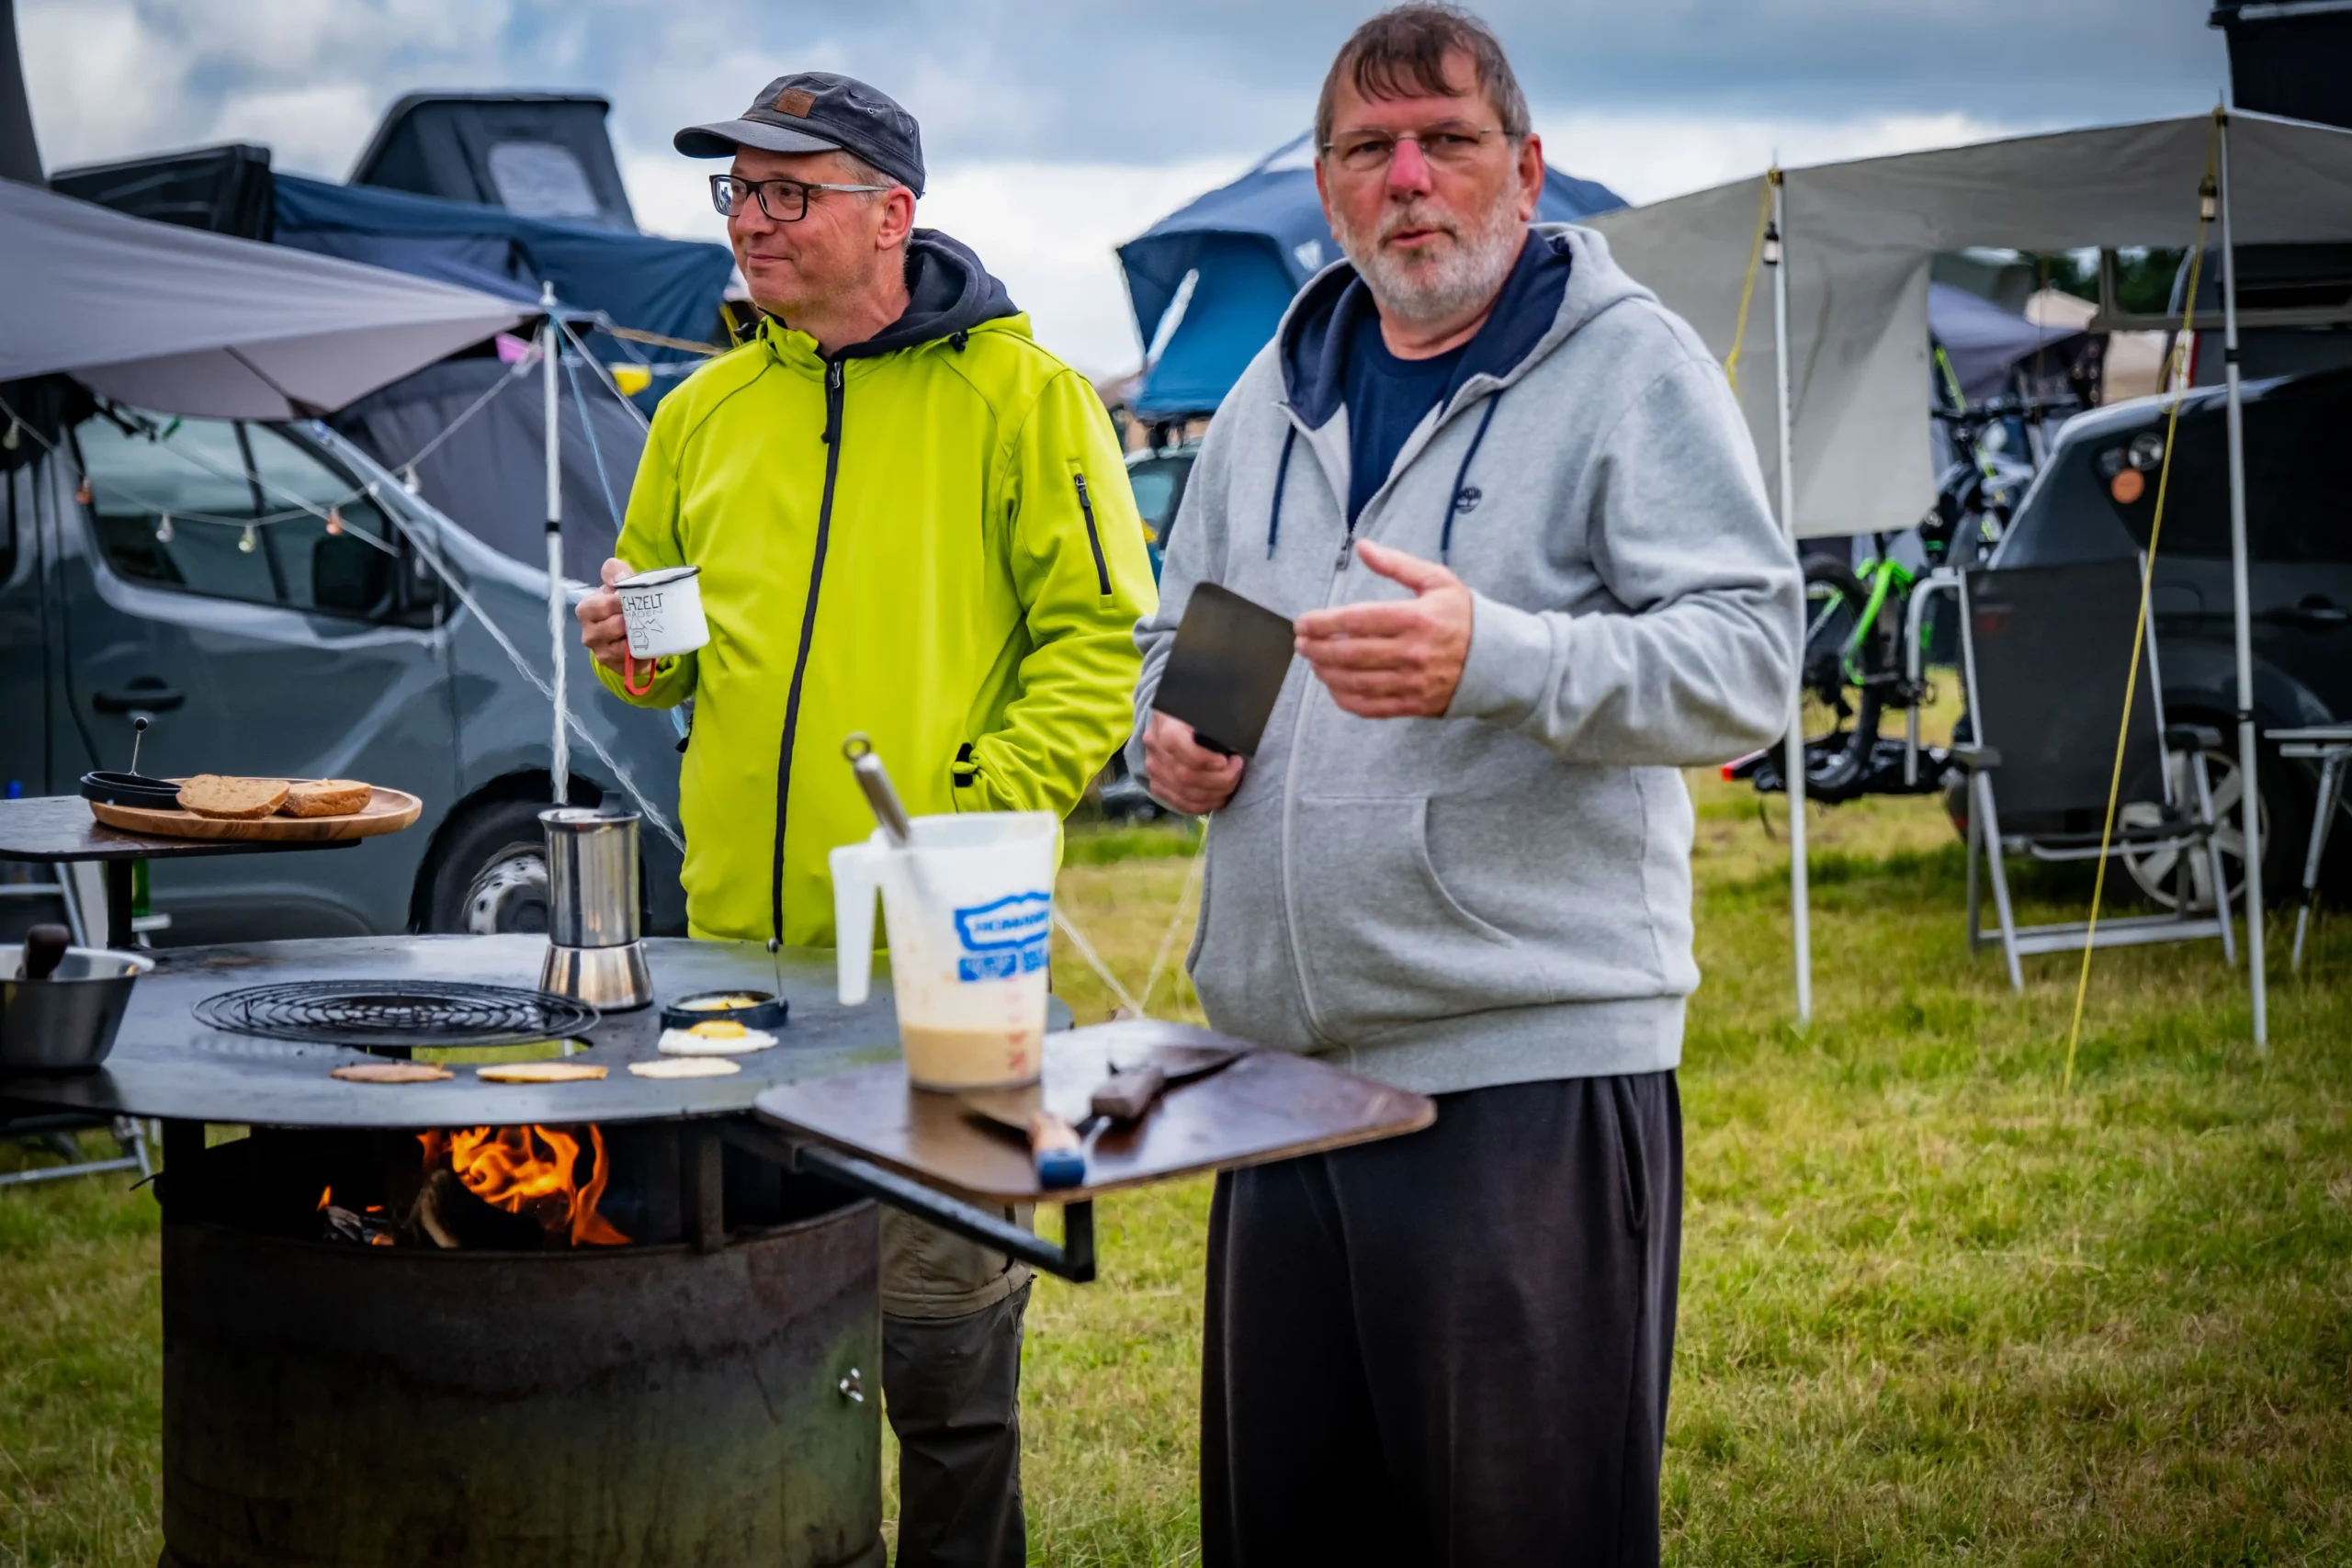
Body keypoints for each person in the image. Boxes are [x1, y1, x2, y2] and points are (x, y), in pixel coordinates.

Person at [1129, 7, 1799, 1564]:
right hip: (1282, 1083)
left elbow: (1754, 662)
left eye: (1449, 141)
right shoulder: (1266, 396)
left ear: (1528, 168)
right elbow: (1179, 634)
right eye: (1370, 150)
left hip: (1522, 1078)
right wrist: (1169, 737)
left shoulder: (1629, 369)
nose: (1410, 179)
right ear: (1326, 182)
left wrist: (1494, 657)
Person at [577, 71, 1155, 1568]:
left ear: (892, 214)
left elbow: (1097, 645)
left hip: (937, 972)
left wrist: (969, 815)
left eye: (787, 192)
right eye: (738, 192)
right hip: (729, 977)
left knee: (943, 1366)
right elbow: (675, 638)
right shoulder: (699, 413)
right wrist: (644, 653)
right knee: (734, 1355)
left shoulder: (1024, 399)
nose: (751, 222)